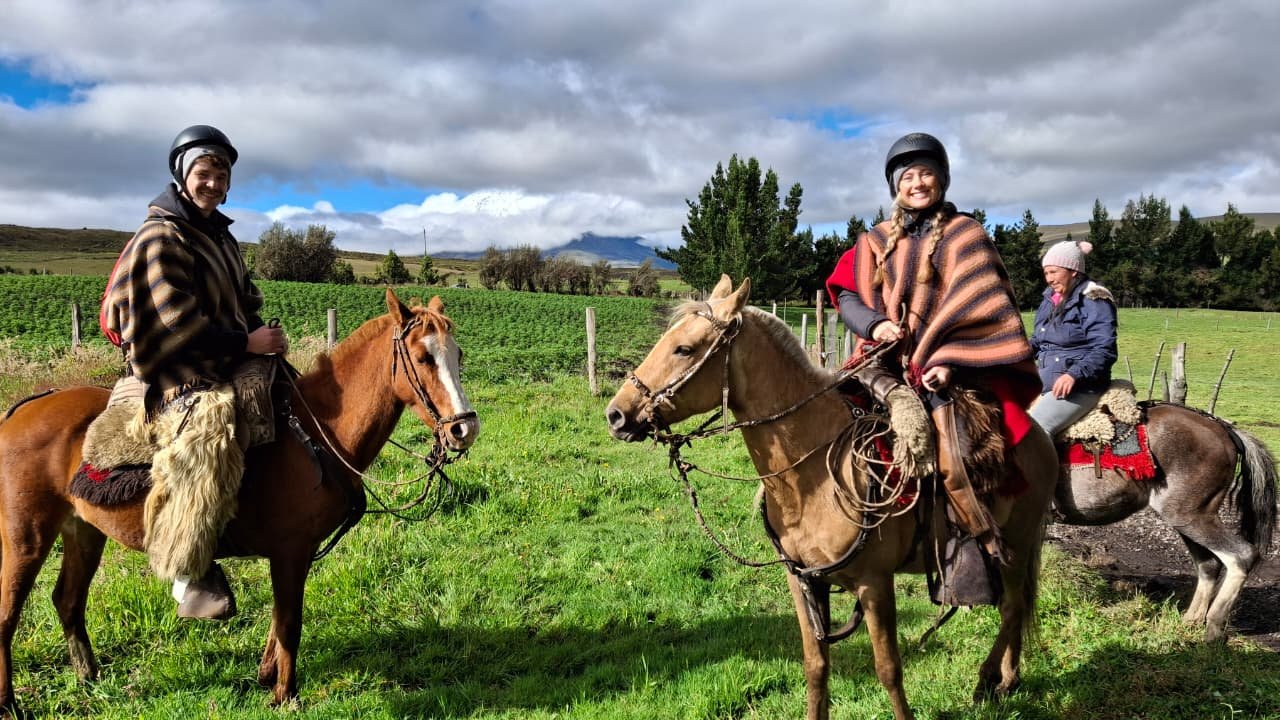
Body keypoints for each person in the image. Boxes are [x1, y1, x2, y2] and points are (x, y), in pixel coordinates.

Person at [825, 132, 1041, 564]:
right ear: (895, 186)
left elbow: (989, 307)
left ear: (941, 180)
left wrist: (949, 364)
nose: (917, 183)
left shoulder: (966, 236)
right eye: (908, 176)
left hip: (950, 374)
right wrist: (876, 323)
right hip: (878, 365)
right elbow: (847, 294)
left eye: (927, 174)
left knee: (958, 456)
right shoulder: (874, 240)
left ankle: (976, 549)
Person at [101, 125, 287, 619]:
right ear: (184, 175)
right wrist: (244, 342)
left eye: (222, 174)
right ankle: (189, 569)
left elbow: (246, 300)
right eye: (205, 172)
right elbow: (172, 322)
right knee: (209, 429)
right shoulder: (162, 234)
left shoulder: (219, 235)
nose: (214, 182)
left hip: (223, 356)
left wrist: (262, 337)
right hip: (174, 368)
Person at [1028, 240, 1118, 437]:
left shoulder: (1094, 299)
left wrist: (1074, 374)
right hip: (1045, 381)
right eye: (1046, 273)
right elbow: (1038, 341)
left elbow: (1105, 349)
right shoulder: (1050, 300)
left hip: (1080, 387)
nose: (1049, 279)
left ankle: (1046, 469)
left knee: (1034, 433)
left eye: (1054, 272)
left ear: (1073, 270)